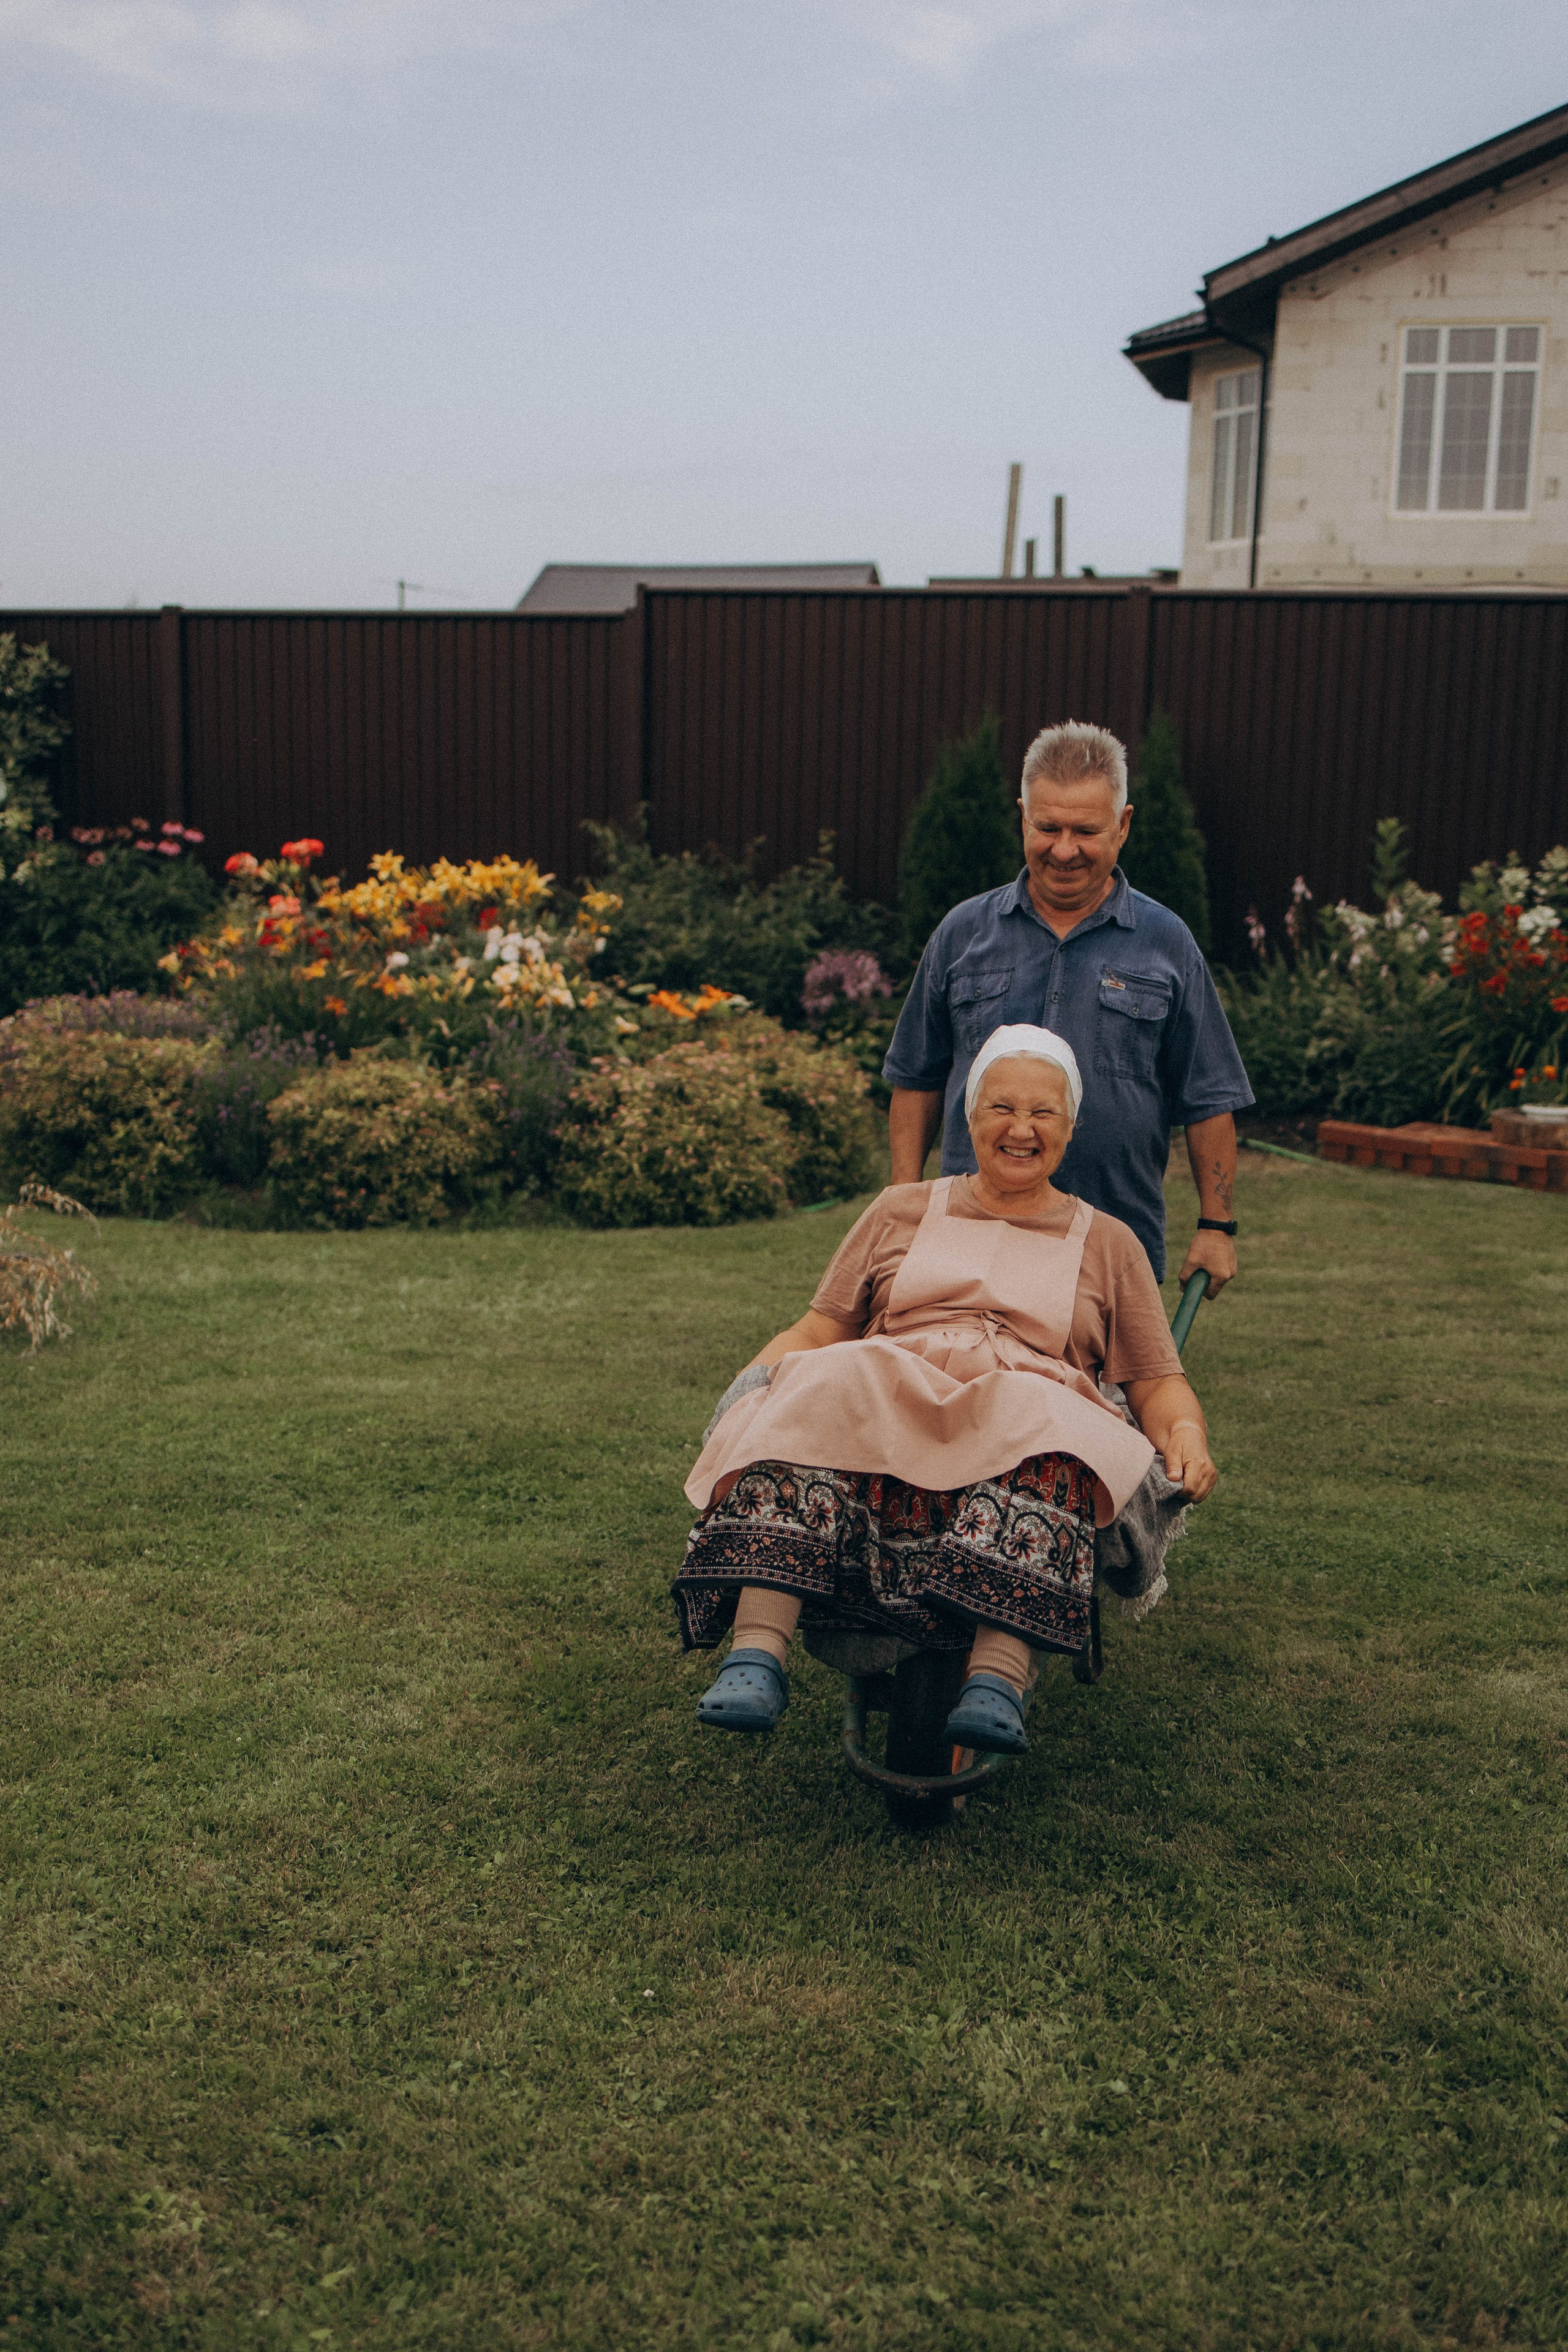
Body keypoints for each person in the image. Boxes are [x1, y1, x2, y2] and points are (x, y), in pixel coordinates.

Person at [673, 1026, 1216, 1756]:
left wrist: (1184, 1434)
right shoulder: (901, 1209)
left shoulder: (1108, 1241)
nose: (1020, 1128)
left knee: (1055, 1428)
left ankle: (995, 1678)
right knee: (818, 1385)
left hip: (1025, 1396)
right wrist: (752, 1385)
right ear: (969, 1116)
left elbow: (1155, 1379)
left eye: (1042, 1113)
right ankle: (756, 1654)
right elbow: (820, 1327)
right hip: (894, 1386)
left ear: (1070, 1127)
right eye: (1000, 1107)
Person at [883, 718, 1253, 1292]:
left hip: (1110, 1250)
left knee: (1103, 1388)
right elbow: (916, 1077)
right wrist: (904, 1202)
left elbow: (1209, 1096)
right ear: (1022, 816)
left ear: (1123, 825)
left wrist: (1217, 1224)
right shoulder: (963, 934)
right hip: (968, 1242)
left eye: (1085, 830)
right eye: (1047, 826)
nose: (1063, 850)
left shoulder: (1166, 942)